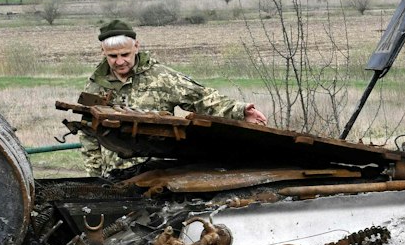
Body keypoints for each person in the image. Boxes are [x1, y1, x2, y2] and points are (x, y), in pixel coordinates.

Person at [80, 20, 266, 172]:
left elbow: (202, 98)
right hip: (113, 175)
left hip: (155, 173)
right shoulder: (95, 84)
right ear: (102, 52)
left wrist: (241, 111)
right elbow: (88, 133)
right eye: (113, 56)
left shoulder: (161, 77)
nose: (120, 61)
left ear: (137, 46)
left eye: (125, 54)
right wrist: (95, 175)